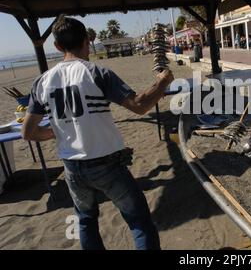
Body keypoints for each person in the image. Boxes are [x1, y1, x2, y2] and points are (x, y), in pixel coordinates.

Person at [22, 16, 174, 250]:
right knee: (139, 221)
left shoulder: (41, 82)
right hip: (106, 164)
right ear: (87, 41)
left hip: (72, 166)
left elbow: (29, 132)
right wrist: (163, 82)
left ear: (57, 47)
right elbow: (139, 106)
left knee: (86, 220)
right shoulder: (97, 73)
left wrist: (59, 131)